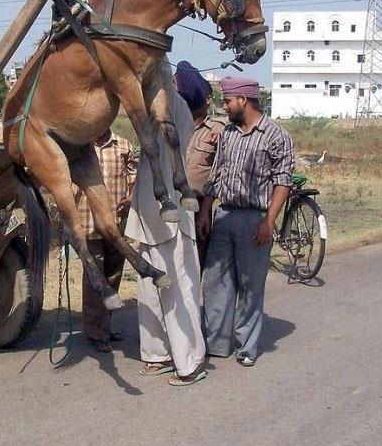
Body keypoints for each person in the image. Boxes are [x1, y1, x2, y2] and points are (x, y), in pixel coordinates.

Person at [196, 76, 294, 367]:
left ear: (245, 100)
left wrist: (268, 221)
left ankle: (246, 346)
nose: (224, 106)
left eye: (228, 101)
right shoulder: (228, 133)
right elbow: (217, 174)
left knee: (250, 285)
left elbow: (283, 182)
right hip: (225, 215)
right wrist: (205, 211)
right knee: (215, 283)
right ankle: (216, 342)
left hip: (256, 218)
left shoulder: (276, 135)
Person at [125, 71, 208, 386]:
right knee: (149, 290)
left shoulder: (174, 106)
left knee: (178, 289)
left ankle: (189, 362)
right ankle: (156, 354)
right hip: (150, 213)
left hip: (171, 214)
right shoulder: (156, 106)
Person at [75, 128, 137, 353]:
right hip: (87, 223)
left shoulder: (123, 145)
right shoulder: (78, 144)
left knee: (113, 277)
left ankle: (105, 326)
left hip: (116, 225)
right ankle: (96, 333)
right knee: (95, 282)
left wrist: (131, 196)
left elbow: (133, 174)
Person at [173, 60, 226, 265]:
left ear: (209, 101)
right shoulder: (174, 126)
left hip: (198, 209)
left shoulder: (218, 130)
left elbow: (218, 175)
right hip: (172, 205)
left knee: (195, 265)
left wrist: (205, 211)